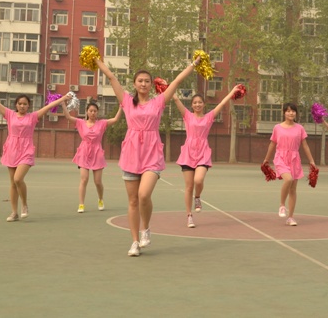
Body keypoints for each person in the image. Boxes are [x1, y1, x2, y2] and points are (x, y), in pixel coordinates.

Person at [96, 56, 199, 257]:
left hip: (152, 153)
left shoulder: (158, 102)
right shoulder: (126, 101)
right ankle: (135, 241)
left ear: (151, 85)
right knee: (133, 201)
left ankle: (146, 228)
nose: (143, 84)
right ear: (134, 84)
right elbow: (111, 77)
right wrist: (97, 59)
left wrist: (193, 64)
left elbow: (177, 81)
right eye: (140, 81)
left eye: (147, 81)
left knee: (144, 195)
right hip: (131, 154)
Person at [0, 91, 69, 222]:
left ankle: (24, 205)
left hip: (26, 150)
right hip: (11, 149)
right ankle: (14, 213)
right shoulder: (9, 114)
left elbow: (49, 106)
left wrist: (64, 98)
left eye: (25, 104)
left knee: (18, 178)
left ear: (28, 106)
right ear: (16, 105)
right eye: (20, 103)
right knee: (13, 183)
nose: (22, 106)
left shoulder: (33, 117)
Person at [173, 85, 242, 228]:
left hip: (203, 152)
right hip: (188, 153)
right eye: (195, 102)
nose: (197, 104)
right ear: (191, 105)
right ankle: (189, 216)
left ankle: (197, 197)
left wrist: (232, 91)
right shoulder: (187, 115)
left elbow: (222, 103)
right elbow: (176, 100)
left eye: (200, 102)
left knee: (198, 180)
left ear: (204, 104)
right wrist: (166, 88)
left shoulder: (209, 117)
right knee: (188, 187)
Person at [63, 101, 122, 213]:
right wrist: (62, 105)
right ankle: (81, 204)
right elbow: (68, 117)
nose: (93, 113)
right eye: (91, 111)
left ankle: (100, 199)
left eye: (95, 111)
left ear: (97, 112)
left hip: (97, 153)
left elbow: (115, 119)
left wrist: (121, 107)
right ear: (87, 112)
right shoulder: (80, 123)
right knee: (84, 179)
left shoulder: (102, 123)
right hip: (84, 152)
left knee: (98, 181)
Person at [263, 103, 317, 226]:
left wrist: (311, 161)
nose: (291, 113)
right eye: (288, 111)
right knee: (288, 179)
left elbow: (305, 145)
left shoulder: (300, 128)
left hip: (294, 159)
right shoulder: (277, 128)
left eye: (293, 111)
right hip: (280, 157)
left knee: (293, 189)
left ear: (296, 113)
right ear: (284, 113)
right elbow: (272, 144)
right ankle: (282, 205)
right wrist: (266, 159)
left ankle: (290, 217)